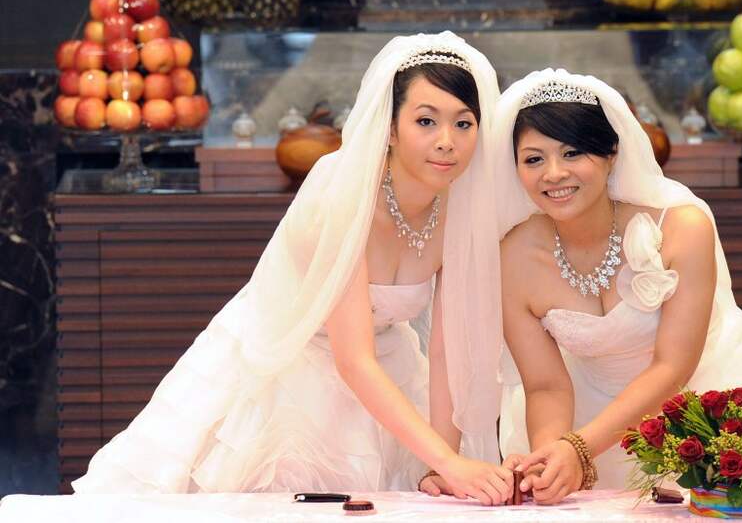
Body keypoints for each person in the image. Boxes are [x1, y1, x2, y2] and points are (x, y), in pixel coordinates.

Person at [72, 32, 512, 505]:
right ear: (389, 126)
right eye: (426, 121)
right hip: (285, 372)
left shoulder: (458, 207)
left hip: (390, 371)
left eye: (464, 124)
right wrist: (451, 464)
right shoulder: (344, 196)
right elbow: (353, 359)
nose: (447, 142)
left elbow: (445, 351)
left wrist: (439, 461)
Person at [492, 69, 742, 503]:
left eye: (573, 152)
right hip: (585, 416)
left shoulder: (680, 227)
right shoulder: (513, 257)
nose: (554, 174)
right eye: (534, 159)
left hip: (705, 403)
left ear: (611, 153)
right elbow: (545, 385)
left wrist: (580, 447)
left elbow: (673, 365)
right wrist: (551, 453)